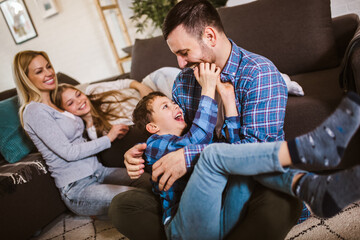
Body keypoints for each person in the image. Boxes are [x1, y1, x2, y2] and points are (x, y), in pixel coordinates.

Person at [111, 1, 303, 239]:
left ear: (210, 36)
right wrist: (140, 158)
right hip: (199, 188)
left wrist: (188, 157)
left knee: (279, 201)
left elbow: (255, 151)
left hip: (249, 181)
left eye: (184, 53)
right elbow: (176, 138)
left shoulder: (259, 74)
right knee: (123, 206)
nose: (180, 63)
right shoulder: (184, 81)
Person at [132, 76, 360, 239]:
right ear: (153, 126)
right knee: (212, 154)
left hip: (218, 220)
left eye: (172, 102)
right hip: (183, 229)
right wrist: (208, 89)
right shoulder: (155, 147)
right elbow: (199, 138)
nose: (174, 106)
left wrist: (230, 102)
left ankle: (310, 188)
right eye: (165, 106)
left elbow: (233, 150)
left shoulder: (189, 137)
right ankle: (310, 148)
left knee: (242, 164)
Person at [13, 50, 152, 217]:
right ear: (26, 79)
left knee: (149, 182)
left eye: (48, 66)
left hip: (100, 171)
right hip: (77, 186)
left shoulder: (58, 102)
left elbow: (82, 100)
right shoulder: (34, 110)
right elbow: (68, 152)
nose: (49, 73)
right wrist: (109, 138)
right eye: (39, 71)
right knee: (137, 199)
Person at [54, 82, 153, 167]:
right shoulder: (81, 132)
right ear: (65, 112)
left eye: (78, 95)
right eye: (71, 103)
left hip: (143, 128)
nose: (79, 101)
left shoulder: (103, 102)